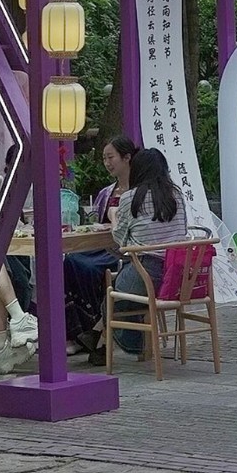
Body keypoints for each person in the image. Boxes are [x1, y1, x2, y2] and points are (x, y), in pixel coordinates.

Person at [89, 147, 188, 363]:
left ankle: (105, 339)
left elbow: (120, 241)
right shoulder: (177, 195)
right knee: (119, 293)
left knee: (113, 298)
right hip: (177, 277)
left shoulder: (130, 198)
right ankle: (97, 338)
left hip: (145, 275)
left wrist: (113, 216)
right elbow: (183, 231)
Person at [65, 136, 138, 353]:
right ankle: (77, 331)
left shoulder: (137, 192)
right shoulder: (106, 192)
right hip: (102, 245)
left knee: (84, 266)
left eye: (110, 157)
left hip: (121, 249)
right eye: (104, 158)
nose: (107, 163)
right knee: (70, 261)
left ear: (127, 158)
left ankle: (94, 326)